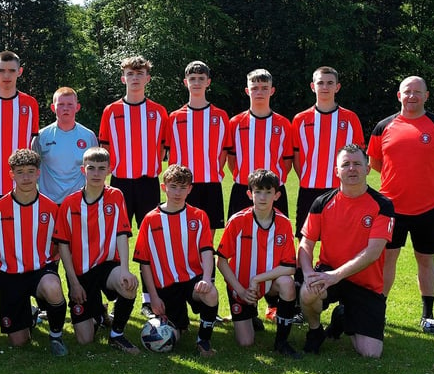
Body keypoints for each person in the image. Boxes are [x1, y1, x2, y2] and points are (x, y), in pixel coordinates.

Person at [367, 76, 434, 334]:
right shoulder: (383, 126)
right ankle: (379, 311)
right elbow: (374, 161)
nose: (412, 96)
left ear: (426, 96)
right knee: (387, 260)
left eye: (417, 92)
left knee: (426, 260)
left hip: (428, 207)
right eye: (407, 92)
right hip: (390, 207)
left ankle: (428, 315)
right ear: (399, 95)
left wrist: (433, 176)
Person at [298, 145, 394, 358]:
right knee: (307, 291)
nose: (352, 169)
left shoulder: (383, 205)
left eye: (357, 164)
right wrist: (307, 273)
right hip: (329, 273)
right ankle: (315, 332)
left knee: (370, 353)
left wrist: (336, 275)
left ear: (368, 169)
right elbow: (306, 244)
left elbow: (373, 253)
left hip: (366, 284)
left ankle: (343, 316)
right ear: (336, 171)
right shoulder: (322, 203)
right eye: (346, 164)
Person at [98, 55, 168, 318]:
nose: (135, 78)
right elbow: (104, 150)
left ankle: (150, 298)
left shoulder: (159, 112)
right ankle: (117, 295)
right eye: (130, 73)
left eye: (140, 73)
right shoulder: (111, 111)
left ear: (147, 78)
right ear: (123, 78)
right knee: (116, 241)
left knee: (150, 241)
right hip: (120, 184)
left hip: (148, 183)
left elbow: (164, 149)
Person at [53, 147, 140, 354]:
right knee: (85, 340)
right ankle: (99, 314)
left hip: (108, 265)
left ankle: (117, 334)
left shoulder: (116, 196)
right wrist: (73, 283)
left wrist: (125, 269)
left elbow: (122, 234)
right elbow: (62, 245)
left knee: (128, 285)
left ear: (109, 170)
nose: (96, 173)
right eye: (91, 168)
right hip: (81, 273)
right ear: (83, 170)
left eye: (101, 169)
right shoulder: (69, 203)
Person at [0, 50, 40, 323]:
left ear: (19, 73)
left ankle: (27, 302)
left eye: (12, 71)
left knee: (22, 245)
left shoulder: (29, 103)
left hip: (21, 189)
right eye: (2, 70)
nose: (7, 76)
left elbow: (33, 145)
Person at [0, 149, 69, 356]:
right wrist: (5, 264)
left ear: (38, 173)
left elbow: (59, 244)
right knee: (19, 342)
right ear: (11, 174)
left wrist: (49, 264)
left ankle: (56, 336)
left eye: (31, 171)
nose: (26, 177)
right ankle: (29, 314)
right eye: (20, 172)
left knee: (52, 287)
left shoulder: (50, 207)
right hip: (11, 276)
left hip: (41, 271)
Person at [133, 164, 220, 357]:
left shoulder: (199, 216)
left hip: (192, 280)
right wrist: (153, 297)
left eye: (183, 187)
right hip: (166, 286)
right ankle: (180, 322)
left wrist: (206, 278)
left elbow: (207, 251)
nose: (177, 192)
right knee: (174, 335)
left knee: (211, 294)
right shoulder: (150, 219)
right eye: (173, 187)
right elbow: (144, 262)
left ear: (190, 189)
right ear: (164, 187)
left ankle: (203, 340)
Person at [216, 169, 300, 358]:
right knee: (246, 342)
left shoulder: (284, 223)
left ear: (277, 195)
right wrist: (240, 289)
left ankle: (281, 342)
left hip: (268, 283)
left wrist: (258, 279)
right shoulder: (237, 221)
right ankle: (250, 315)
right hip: (241, 285)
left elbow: (289, 266)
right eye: (258, 192)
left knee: (287, 283)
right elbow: (220, 260)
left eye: (268, 192)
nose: (263, 197)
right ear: (249, 194)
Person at [292, 66, 364, 240]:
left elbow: (359, 155)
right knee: (305, 237)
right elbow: (296, 157)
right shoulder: (300, 119)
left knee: (339, 236)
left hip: (340, 188)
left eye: (330, 83)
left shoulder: (350, 118)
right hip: (309, 188)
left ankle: (337, 268)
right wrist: (308, 176)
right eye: (320, 83)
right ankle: (303, 269)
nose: (325, 87)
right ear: (312, 86)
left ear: (337, 87)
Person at [165, 61, 231, 235]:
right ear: (185, 82)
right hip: (183, 184)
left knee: (208, 232)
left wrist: (215, 170)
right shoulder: (174, 117)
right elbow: (167, 150)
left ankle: (207, 263)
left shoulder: (220, 116)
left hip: (211, 182)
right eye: (192, 78)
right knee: (182, 231)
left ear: (208, 82)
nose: (196, 83)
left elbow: (225, 150)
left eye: (201, 78)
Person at [227, 69, 293, 218]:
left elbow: (287, 160)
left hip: (274, 190)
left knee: (276, 236)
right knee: (240, 236)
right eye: (255, 88)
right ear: (247, 90)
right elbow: (231, 159)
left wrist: (272, 181)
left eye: (264, 88)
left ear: (272, 91)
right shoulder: (235, 123)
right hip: (243, 188)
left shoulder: (283, 124)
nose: (259, 92)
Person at [32, 86, 99, 205]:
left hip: (79, 202)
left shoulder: (88, 136)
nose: (65, 108)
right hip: (49, 202)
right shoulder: (41, 136)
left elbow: (95, 168)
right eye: (61, 104)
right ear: (53, 107)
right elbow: (33, 168)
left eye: (70, 104)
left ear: (77, 107)